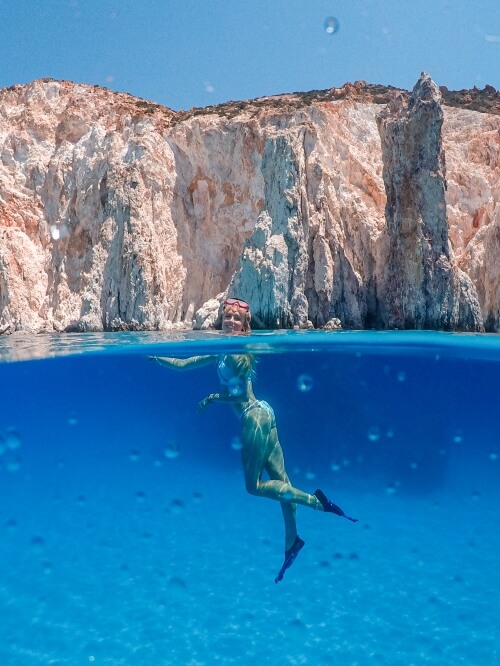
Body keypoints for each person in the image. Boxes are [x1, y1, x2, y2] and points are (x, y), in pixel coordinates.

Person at [151, 297, 357, 583]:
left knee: (255, 486)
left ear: (246, 324)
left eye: (237, 318)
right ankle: (292, 541)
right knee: (280, 482)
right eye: (228, 317)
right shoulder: (221, 351)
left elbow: (238, 395)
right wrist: (155, 357)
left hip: (253, 416)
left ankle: (317, 502)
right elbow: (184, 364)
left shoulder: (237, 353)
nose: (231, 321)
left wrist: (214, 398)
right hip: (265, 413)